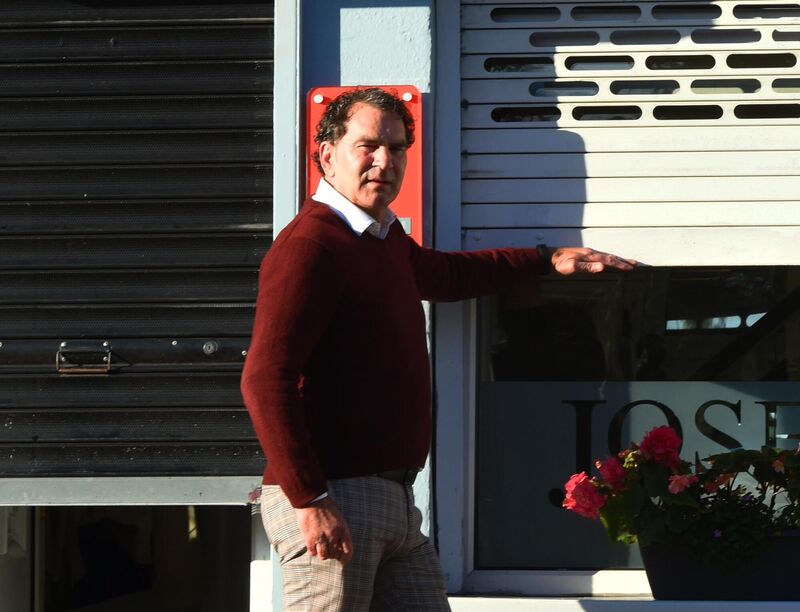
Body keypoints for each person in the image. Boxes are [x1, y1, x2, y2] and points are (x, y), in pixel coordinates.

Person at [241, 87, 636, 611]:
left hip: (394, 500)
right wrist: (310, 501)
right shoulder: (312, 246)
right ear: (327, 153)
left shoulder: (381, 240)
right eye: (368, 146)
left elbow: (449, 274)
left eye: (398, 148)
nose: (385, 160)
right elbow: (265, 380)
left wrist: (546, 259)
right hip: (334, 494)